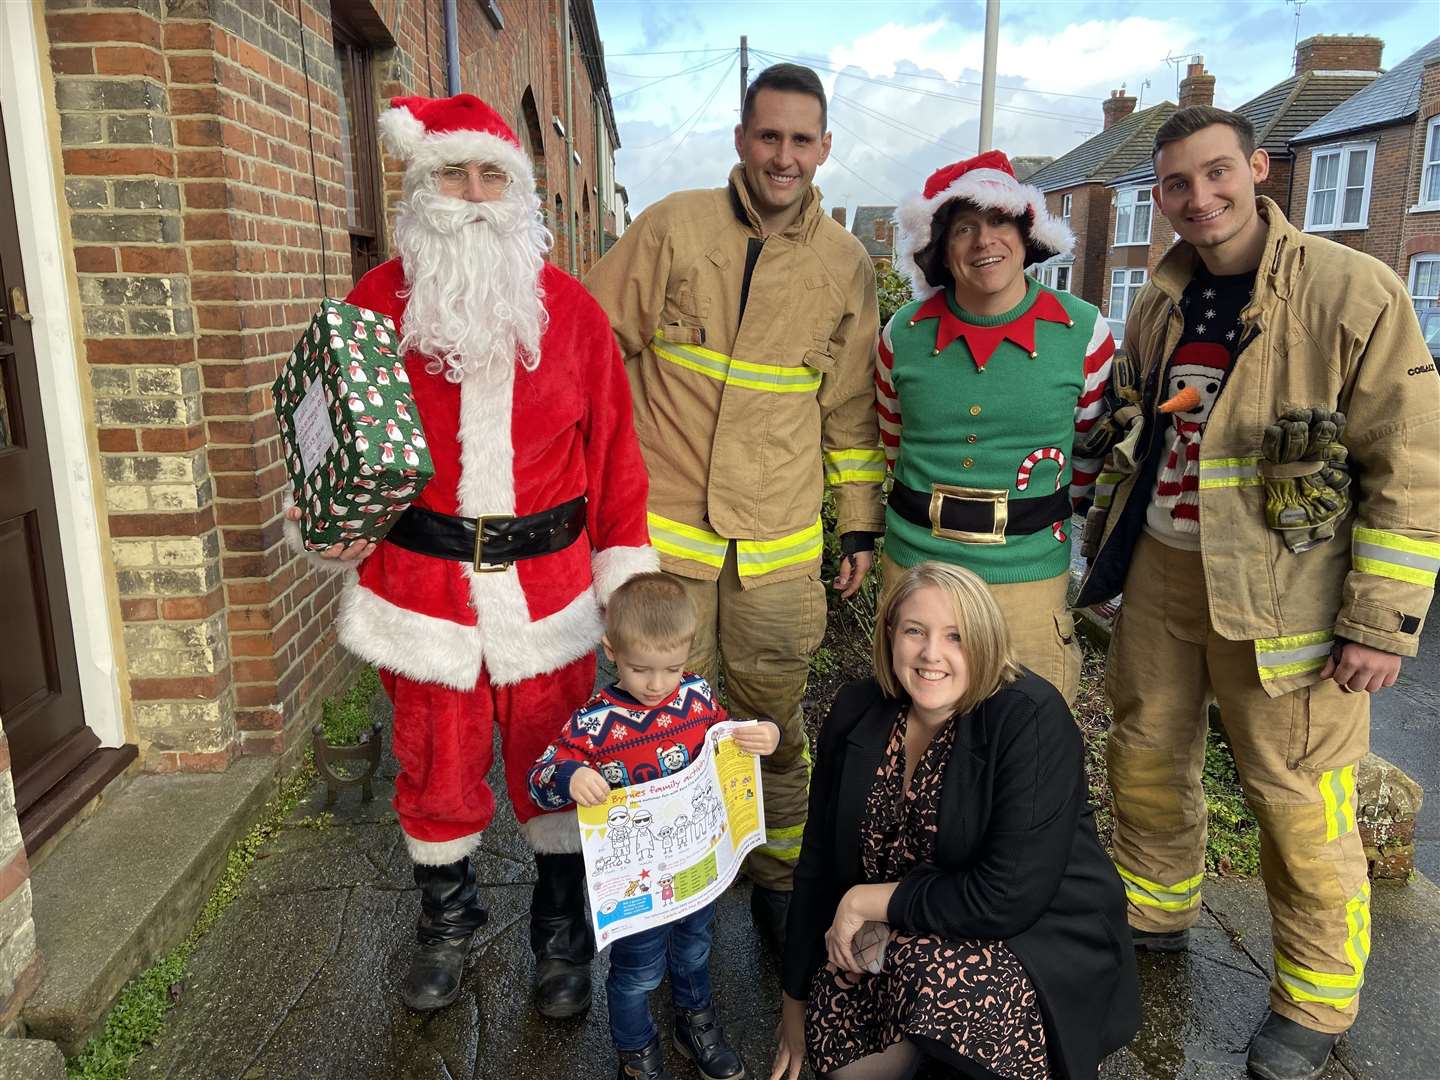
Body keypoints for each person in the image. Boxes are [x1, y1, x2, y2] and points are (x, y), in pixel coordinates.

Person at [1076, 105, 1439, 1080]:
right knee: (1146, 752)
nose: (1202, 198)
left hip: (1289, 601)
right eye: (1179, 184)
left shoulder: (1351, 291)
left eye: (1217, 173)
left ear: (1260, 169)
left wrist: (1382, 624)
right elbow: (1140, 431)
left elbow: (1408, 464)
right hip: (1162, 567)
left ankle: (1316, 999)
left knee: (1296, 795)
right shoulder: (1159, 301)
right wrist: (1098, 548)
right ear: (1162, 197)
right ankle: (1154, 910)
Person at [285, 93, 657, 1016]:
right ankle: (447, 921)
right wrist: (326, 518)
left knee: (562, 762)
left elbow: (613, 454)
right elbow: (327, 435)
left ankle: (562, 932)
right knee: (434, 766)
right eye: (455, 173)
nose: (476, 193)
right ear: (421, 187)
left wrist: (625, 575)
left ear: (520, 193)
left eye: (494, 175)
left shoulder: (570, 314)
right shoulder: (371, 309)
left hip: (551, 591)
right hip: (423, 588)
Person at [585, 63, 886, 942]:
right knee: (658, 722)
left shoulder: (845, 265)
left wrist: (858, 525)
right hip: (666, 548)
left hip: (778, 553)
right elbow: (591, 351)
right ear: (740, 139)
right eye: (768, 136)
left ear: (824, 148)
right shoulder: (673, 227)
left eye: (801, 139)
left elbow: (853, 415)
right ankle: (666, 886)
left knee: (770, 726)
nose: (783, 156)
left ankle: (779, 881)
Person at [771, 561, 1138, 1080]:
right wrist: (794, 1003)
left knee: (933, 978)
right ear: (890, 634)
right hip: (903, 928)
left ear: (985, 642)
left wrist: (864, 900)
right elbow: (816, 864)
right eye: (914, 631)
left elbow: (1007, 896)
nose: (931, 655)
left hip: (1029, 934)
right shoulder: (857, 711)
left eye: (955, 637)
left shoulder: (1029, 717)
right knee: (837, 1041)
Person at [878, 150, 1115, 706]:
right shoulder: (902, 334)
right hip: (918, 565)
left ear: (1026, 231)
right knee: (917, 724)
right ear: (940, 248)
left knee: (1029, 734)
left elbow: (1089, 456)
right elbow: (891, 441)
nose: (985, 242)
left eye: (999, 221)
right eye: (964, 228)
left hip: (1028, 571)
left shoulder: (1084, 331)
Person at [527, 573, 781, 1080]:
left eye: (672, 667)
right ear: (610, 649)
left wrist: (763, 733)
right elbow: (541, 777)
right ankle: (637, 1053)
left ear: (688, 653)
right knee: (638, 971)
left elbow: (725, 736)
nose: (658, 683)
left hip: (695, 865)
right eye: (641, 668)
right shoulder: (595, 722)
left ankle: (696, 1023)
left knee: (694, 949)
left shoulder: (696, 696)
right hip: (635, 879)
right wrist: (572, 775)